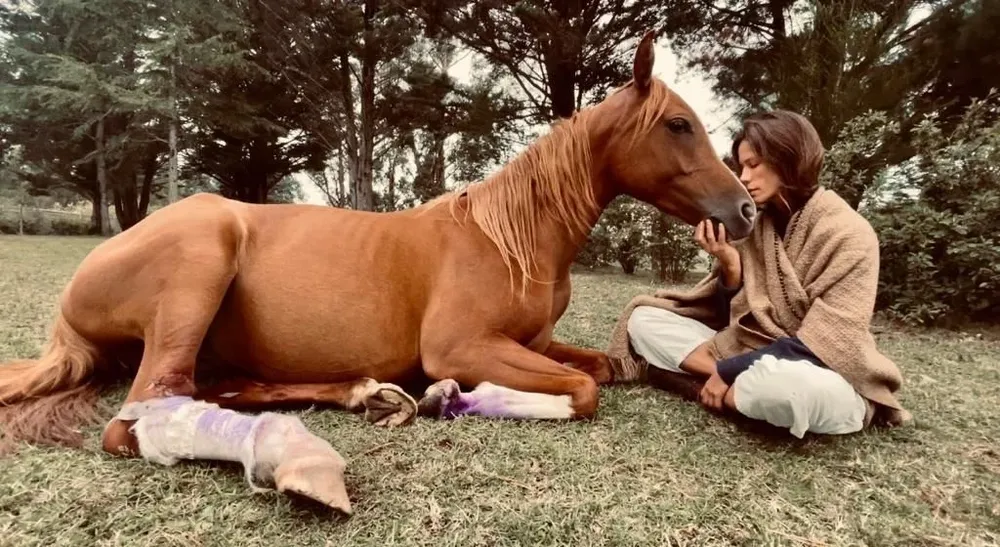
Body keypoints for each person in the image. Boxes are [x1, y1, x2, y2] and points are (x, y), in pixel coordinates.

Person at [604, 110, 911, 438]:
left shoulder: (850, 235)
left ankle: (713, 386)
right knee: (644, 319)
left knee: (788, 390)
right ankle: (739, 392)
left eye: (753, 165)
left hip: (819, 369)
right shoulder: (756, 228)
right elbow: (726, 318)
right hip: (747, 351)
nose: (744, 178)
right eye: (740, 167)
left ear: (789, 159)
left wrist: (728, 370)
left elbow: (828, 346)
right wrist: (730, 266)